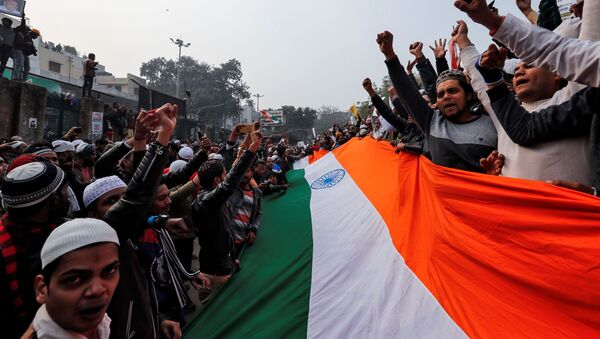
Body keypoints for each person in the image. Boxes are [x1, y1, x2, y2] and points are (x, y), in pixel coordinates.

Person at [376, 30, 499, 173]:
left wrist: (495, 174)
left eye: (453, 91)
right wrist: (389, 55)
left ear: (469, 95)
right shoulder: (432, 122)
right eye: (440, 94)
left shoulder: (493, 125)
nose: (446, 97)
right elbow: (407, 93)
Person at [454, 0, 600, 87]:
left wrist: (491, 20)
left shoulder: (576, 99)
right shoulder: (521, 122)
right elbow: (552, 49)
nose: (519, 71)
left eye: (529, 64)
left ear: (557, 74)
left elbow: (552, 51)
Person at [0, 160, 70, 338]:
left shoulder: (57, 231)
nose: (68, 196)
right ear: (54, 199)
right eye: (64, 190)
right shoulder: (5, 248)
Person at [27, 218, 120, 339]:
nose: (97, 290)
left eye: (109, 271)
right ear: (41, 289)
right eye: (73, 280)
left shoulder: (108, 324)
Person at [193, 130, 262, 286]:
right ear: (217, 180)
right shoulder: (206, 201)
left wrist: (231, 259)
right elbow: (231, 181)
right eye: (225, 175)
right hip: (213, 271)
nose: (227, 177)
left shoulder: (215, 199)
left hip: (225, 262)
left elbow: (223, 234)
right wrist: (252, 150)